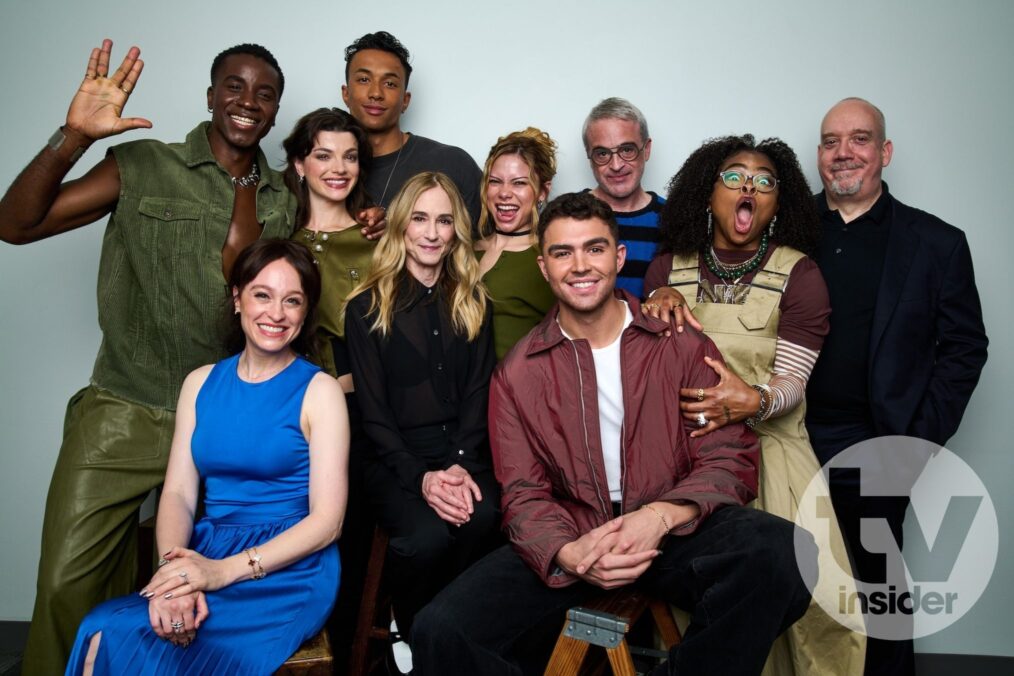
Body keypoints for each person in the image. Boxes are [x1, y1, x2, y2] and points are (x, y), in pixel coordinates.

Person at [411, 192, 814, 676]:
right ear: (544, 267)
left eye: (595, 249)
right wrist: (568, 552)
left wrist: (661, 516)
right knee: (439, 630)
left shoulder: (679, 344)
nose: (580, 265)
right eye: (563, 253)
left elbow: (729, 456)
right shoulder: (518, 373)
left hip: (671, 531)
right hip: (576, 533)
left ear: (618, 257)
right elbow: (524, 494)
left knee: (785, 552)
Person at [0, 40, 298, 674]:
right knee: (64, 585)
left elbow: (291, 300)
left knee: (200, 602)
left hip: (221, 421)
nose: (248, 101)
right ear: (211, 94)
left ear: (274, 111)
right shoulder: (141, 164)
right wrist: (72, 137)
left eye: (264, 93)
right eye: (234, 86)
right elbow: (15, 224)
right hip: (125, 408)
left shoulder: (282, 197)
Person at [65, 239, 349, 675]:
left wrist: (223, 573)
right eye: (262, 295)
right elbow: (178, 493)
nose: (276, 313)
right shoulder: (199, 384)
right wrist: (173, 580)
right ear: (237, 299)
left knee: (157, 647)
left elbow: (327, 523)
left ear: (305, 311)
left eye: (292, 301)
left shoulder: (320, 391)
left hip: (288, 568)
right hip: (205, 550)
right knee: (99, 632)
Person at [642, 135, 865, 676]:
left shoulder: (801, 274)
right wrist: (652, 306)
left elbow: (793, 380)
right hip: (691, 461)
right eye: (735, 176)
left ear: (776, 202)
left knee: (817, 604)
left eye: (765, 181)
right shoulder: (667, 270)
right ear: (707, 193)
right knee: (711, 606)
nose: (750, 187)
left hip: (775, 455)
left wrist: (756, 399)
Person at [805, 97, 988, 676]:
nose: (844, 153)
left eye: (859, 139)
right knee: (786, 577)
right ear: (818, 156)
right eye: (832, 141)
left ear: (884, 152)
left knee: (876, 585)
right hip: (784, 433)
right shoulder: (785, 230)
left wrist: (915, 442)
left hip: (876, 439)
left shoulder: (937, 243)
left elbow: (964, 350)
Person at [344, 171, 499, 640]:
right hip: (394, 458)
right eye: (420, 218)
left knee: (485, 520)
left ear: (457, 231)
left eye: (444, 220)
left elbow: (478, 392)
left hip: (463, 453)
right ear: (401, 226)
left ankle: (462, 639)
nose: (432, 233)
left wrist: (459, 466)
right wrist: (423, 477)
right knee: (425, 541)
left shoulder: (474, 301)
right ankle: (415, 635)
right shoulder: (366, 308)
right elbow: (373, 414)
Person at [282, 107, 377, 669]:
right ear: (299, 163)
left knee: (347, 539)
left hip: (357, 414)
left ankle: (346, 655)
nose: (337, 167)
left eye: (349, 155)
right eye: (323, 154)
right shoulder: (279, 236)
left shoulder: (377, 240)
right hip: (286, 415)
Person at [342, 31, 483, 224]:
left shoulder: (452, 164)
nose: (376, 93)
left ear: (405, 101)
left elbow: (487, 245)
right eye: (364, 80)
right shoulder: (321, 169)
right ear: (346, 94)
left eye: (390, 83)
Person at [475, 127, 558, 359]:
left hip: (517, 390)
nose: (504, 193)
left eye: (519, 183)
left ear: (543, 191)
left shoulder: (550, 259)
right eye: (495, 181)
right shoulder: (463, 250)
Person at [582, 97, 664, 298]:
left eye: (627, 150)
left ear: (646, 149)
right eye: (602, 154)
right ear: (589, 157)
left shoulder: (673, 218)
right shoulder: (568, 216)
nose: (616, 165)